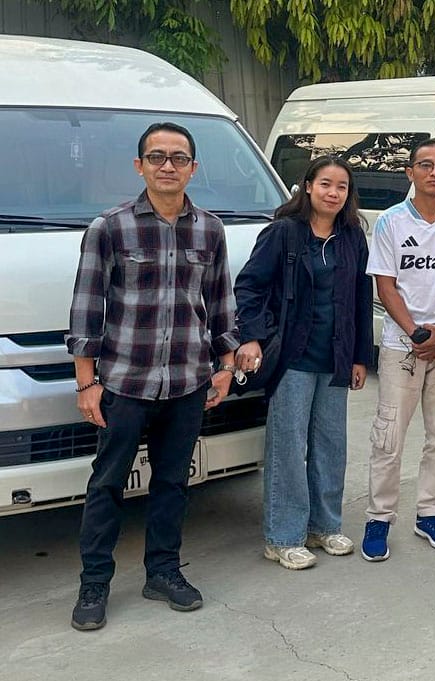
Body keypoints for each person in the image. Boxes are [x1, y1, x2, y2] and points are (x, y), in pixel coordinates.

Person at [66, 122, 238, 630]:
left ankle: (162, 571)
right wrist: (86, 381)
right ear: (139, 165)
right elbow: (86, 308)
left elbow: (221, 306)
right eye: (157, 157)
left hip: (187, 382)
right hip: (124, 383)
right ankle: (94, 582)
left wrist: (225, 367)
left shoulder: (210, 229)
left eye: (179, 158)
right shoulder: (110, 228)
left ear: (193, 168)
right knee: (107, 485)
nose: (168, 166)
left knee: (171, 483)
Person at [233, 156, 373, 570]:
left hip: (336, 356)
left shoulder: (351, 237)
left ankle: (324, 526)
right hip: (293, 357)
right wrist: (253, 337)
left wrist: (361, 356)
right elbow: (250, 286)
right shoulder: (283, 234)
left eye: (342, 187)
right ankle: (283, 537)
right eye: (326, 183)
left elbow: (361, 300)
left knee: (332, 446)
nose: (333, 193)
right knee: (289, 448)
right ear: (307, 186)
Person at [362, 138, 435, 561]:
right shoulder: (391, 223)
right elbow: (385, 284)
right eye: (425, 165)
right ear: (410, 172)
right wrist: (416, 333)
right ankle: (379, 517)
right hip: (402, 346)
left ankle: (431, 513)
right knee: (389, 434)